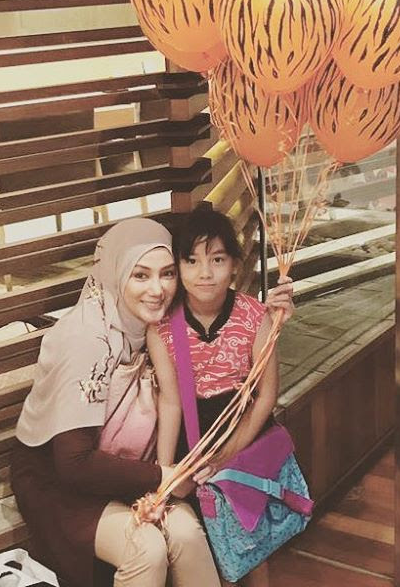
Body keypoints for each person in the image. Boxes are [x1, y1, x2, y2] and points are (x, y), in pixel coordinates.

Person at [11, 217, 294, 587]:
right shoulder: (86, 341)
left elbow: (228, 327)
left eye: (167, 274)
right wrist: (165, 477)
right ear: (115, 274)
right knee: (146, 548)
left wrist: (273, 317)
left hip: (129, 468)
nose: (157, 289)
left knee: (187, 534)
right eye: (140, 275)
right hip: (64, 484)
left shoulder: (149, 327)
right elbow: (73, 463)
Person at [148, 208, 283, 587]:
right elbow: (171, 401)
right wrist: (165, 473)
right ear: (177, 267)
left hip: (245, 433)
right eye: (191, 261)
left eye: (217, 260)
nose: (204, 273)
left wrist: (229, 454)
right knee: (208, 540)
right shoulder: (162, 326)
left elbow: (267, 395)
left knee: (252, 540)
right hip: (191, 439)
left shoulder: (255, 315)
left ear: (235, 265)